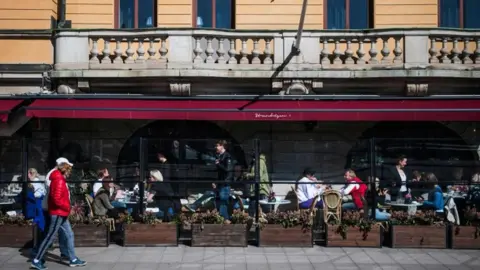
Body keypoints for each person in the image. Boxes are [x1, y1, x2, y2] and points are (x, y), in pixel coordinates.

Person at [30, 160, 87, 270]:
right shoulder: (59, 180)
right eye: (69, 170)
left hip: (61, 213)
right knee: (50, 237)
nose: (70, 173)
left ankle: (73, 259)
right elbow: (56, 199)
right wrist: (68, 208)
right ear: (65, 170)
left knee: (69, 234)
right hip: (58, 213)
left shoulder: (58, 179)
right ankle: (36, 260)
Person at [213, 140, 234, 220]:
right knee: (220, 202)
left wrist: (219, 164)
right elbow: (219, 172)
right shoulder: (220, 156)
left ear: (222, 146)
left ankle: (225, 220)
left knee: (223, 202)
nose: (216, 147)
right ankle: (224, 219)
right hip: (220, 183)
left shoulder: (227, 156)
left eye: (217, 145)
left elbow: (227, 170)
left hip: (225, 183)